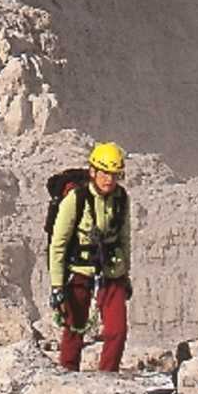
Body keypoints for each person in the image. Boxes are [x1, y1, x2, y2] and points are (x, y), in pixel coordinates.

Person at [48, 142, 132, 372]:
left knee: (117, 331)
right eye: (105, 173)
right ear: (93, 171)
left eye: (115, 175)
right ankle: (67, 374)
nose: (109, 180)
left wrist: (126, 274)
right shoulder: (77, 199)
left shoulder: (121, 199)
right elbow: (58, 245)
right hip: (79, 271)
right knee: (75, 327)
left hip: (111, 271)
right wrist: (57, 286)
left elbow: (125, 239)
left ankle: (107, 377)